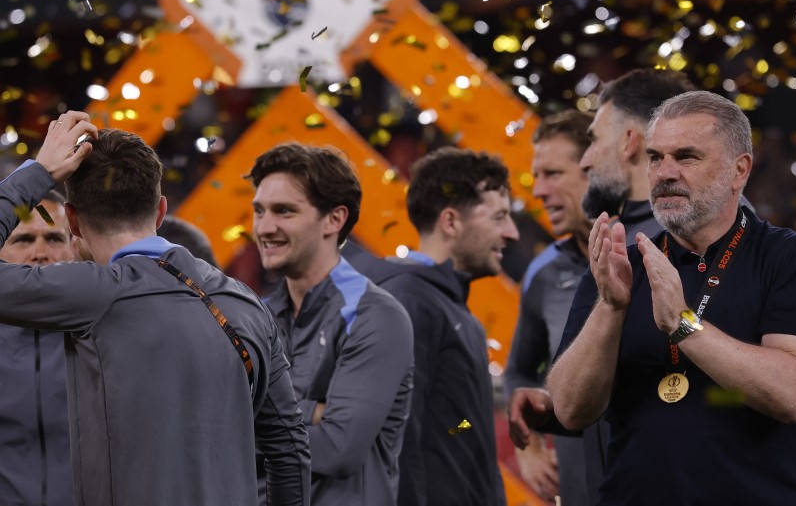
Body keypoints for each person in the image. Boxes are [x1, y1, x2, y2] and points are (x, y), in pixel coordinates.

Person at [546, 91, 796, 505]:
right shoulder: (619, 267)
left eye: (686, 157)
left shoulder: (795, 258)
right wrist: (610, 308)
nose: (665, 173)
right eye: (655, 158)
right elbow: (570, 409)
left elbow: (792, 393)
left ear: (738, 170)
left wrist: (683, 325)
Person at [0, 113, 310, 506]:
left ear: (73, 222)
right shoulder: (246, 303)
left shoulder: (91, 295)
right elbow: (289, 448)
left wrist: (40, 171)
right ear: (161, 211)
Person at [508, 68, 694, 503]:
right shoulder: (584, 255)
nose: (540, 190)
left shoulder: (694, 236)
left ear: (628, 142)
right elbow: (578, 394)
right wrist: (542, 424)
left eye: (555, 172)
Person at [246, 142, 414, 506]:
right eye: (259, 211)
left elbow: (337, 450)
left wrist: (247, 413)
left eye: (284, 211)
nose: (264, 227)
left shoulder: (376, 316)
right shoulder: (253, 317)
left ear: (334, 219)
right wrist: (312, 411)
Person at [362, 147, 519, 506]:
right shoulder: (409, 302)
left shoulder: (447, 307)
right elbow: (396, 440)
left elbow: (453, 432)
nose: (511, 233)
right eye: (499, 217)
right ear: (450, 222)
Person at [504, 110, 592, 504]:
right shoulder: (543, 273)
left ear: (594, 168)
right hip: (580, 491)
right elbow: (519, 372)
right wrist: (530, 449)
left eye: (552, 174)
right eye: (537, 176)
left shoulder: (662, 250)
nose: (537, 190)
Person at [0, 190, 75, 506]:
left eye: (55, 238)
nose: (41, 252)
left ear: (77, 246)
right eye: (23, 239)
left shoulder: (108, 333)